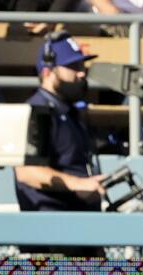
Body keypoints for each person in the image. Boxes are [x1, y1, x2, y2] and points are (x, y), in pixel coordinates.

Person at [14, 33, 104, 210]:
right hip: (51, 225)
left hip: (78, 221)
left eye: (82, 66)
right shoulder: (36, 111)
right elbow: (27, 172)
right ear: (47, 72)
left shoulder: (70, 111)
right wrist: (78, 183)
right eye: (73, 66)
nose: (81, 73)